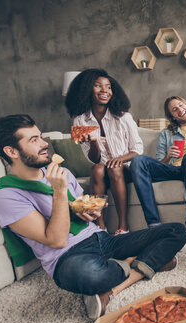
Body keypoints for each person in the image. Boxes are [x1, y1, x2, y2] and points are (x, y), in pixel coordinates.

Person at [0, 114, 186, 320]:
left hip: (102, 239)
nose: (44, 144)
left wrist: (89, 211)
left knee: (177, 231)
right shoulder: (5, 197)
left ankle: (118, 282)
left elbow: (82, 205)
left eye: (40, 136)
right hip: (68, 257)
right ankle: (141, 261)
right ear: (11, 151)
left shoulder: (62, 172)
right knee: (88, 275)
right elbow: (56, 240)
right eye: (33, 140)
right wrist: (59, 191)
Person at [65, 68, 143, 235]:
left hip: (126, 169)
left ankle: (123, 226)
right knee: (97, 168)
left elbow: (137, 149)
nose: (104, 91)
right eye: (98, 86)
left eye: (108, 87)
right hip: (102, 171)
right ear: (87, 89)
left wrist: (120, 160)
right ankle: (101, 228)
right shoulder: (80, 120)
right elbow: (93, 159)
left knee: (113, 167)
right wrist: (94, 142)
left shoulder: (123, 116)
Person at [130, 96, 186, 251]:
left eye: (181, 105)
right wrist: (168, 156)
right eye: (175, 109)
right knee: (138, 161)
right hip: (175, 169)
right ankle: (154, 226)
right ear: (172, 116)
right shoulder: (166, 134)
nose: (180, 110)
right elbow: (160, 164)